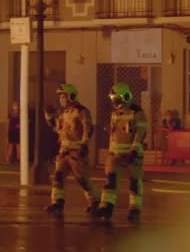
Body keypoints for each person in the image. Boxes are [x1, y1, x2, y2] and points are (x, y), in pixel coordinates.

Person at [44, 84, 99, 216]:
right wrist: (48, 114)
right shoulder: (62, 112)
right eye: (60, 97)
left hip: (76, 151)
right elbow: (56, 127)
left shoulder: (81, 111)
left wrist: (84, 145)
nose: (61, 99)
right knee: (58, 177)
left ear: (71, 96)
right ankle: (57, 203)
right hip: (64, 150)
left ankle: (95, 201)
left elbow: (88, 128)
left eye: (64, 96)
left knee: (82, 179)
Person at [96, 82, 147, 224]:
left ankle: (135, 209)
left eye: (117, 99)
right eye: (113, 100)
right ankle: (106, 207)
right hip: (115, 154)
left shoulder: (138, 113)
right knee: (110, 181)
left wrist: (134, 150)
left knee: (134, 183)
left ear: (125, 97)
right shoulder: (115, 113)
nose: (115, 102)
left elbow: (140, 133)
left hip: (132, 155)